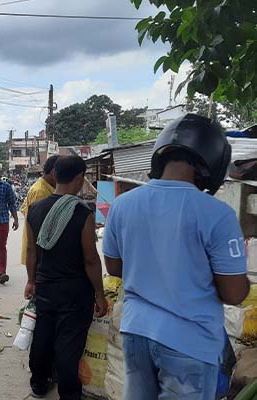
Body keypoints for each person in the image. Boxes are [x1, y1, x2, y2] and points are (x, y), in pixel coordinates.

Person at [102, 114, 249, 399]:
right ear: (209, 164)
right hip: (189, 341)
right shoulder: (217, 214)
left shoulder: (122, 205)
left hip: (136, 333)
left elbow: (114, 267)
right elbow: (233, 293)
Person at [24, 156, 108, 399]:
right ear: (80, 177)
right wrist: (99, 295)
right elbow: (91, 259)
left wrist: (31, 280)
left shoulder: (35, 209)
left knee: (43, 335)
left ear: (55, 174)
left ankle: (39, 383)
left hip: (45, 285)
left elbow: (31, 251)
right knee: (69, 345)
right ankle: (69, 393)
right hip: (75, 291)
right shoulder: (81, 212)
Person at [20, 155, 59, 266]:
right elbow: (40, 227)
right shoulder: (41, 192)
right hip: (38, 250)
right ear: (54, 173)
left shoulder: (47, 188)